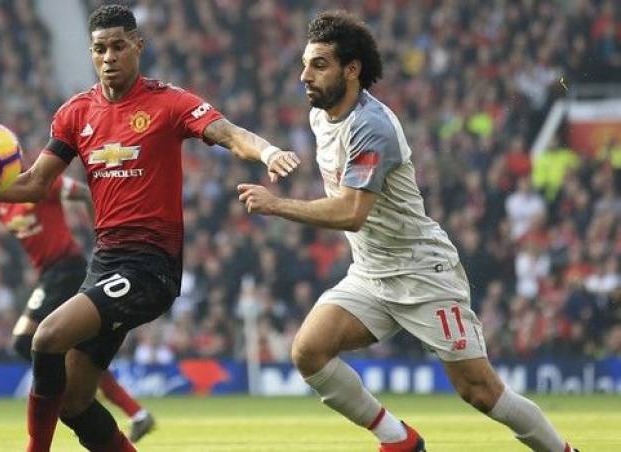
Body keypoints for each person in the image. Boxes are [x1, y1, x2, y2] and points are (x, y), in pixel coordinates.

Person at [0, 4, 300, 452]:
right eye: (100, 49)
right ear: (92, 53)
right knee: (74, 402)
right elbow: (35, 184)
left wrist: (267, 152)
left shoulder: (169, 103)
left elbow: (229, 133)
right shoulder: (74, 113)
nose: (109, 57)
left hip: (150, 266)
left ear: (138, 47)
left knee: (45, 337)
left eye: (119, 46)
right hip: (104, 263)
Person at [237, 11, 577, 452]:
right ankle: (398, 440)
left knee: (480, 392)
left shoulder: (371, 126)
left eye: (319, 65)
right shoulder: (321, 117)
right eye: (305, 64)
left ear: (351, 69)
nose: (304, 76)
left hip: (422, 273)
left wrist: (277, 205)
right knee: (309, 351)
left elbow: (353, 212)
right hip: (371, 273)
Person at [0, 168, 155, 443]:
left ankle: (82, 399)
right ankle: (133, 412)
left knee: (25, 342)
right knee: (70, 357)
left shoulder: (40, 183)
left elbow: (84, 193)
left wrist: (102, 236)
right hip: (48, 275)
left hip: (68, 268)